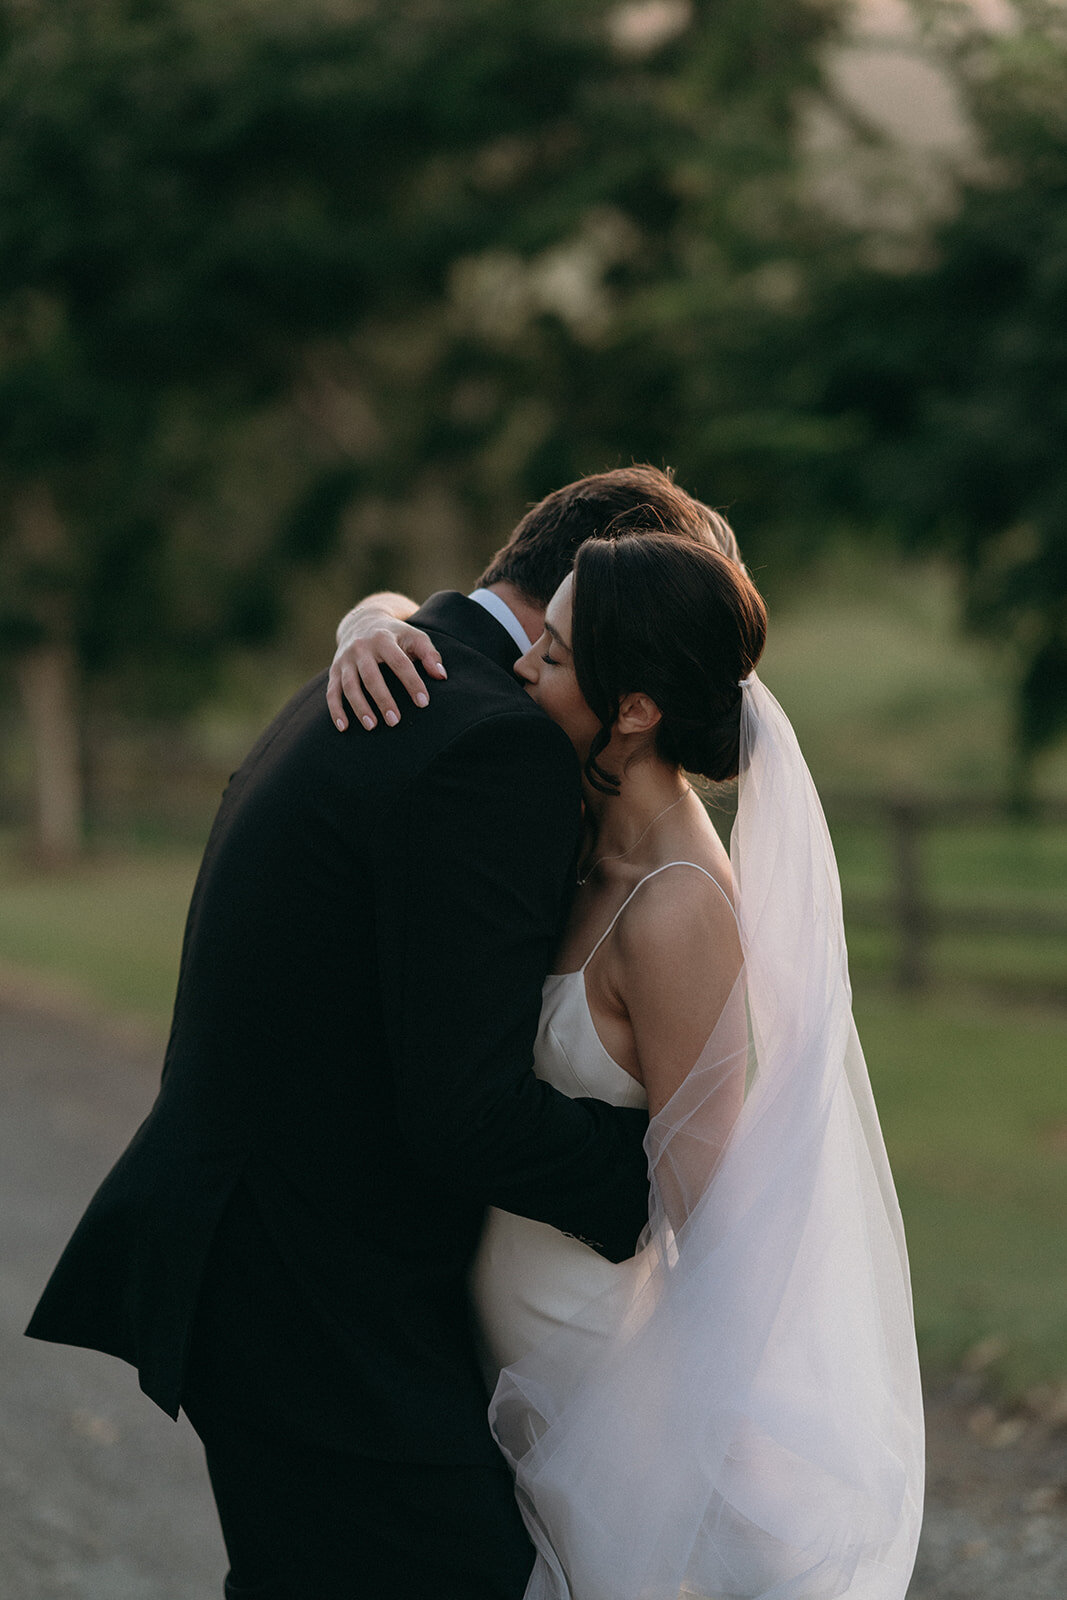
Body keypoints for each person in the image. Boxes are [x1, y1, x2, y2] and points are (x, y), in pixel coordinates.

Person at [26, 465, 739, 1600]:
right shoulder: (489, 735)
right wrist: (665, 1187)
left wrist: (373, 608)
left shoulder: (385, 667)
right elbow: (463, 1108)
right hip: (310, 1291)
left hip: (264, 1257)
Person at [333, 533, 925, 1599]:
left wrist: (709, 1448)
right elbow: (403, 610)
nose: (520, 667)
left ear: (636, 707)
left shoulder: (679, 906)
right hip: (498, 1344)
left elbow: (710, 1205)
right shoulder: (576, 824)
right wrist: (367, 624)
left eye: (552, 657)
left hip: (594, 1378)